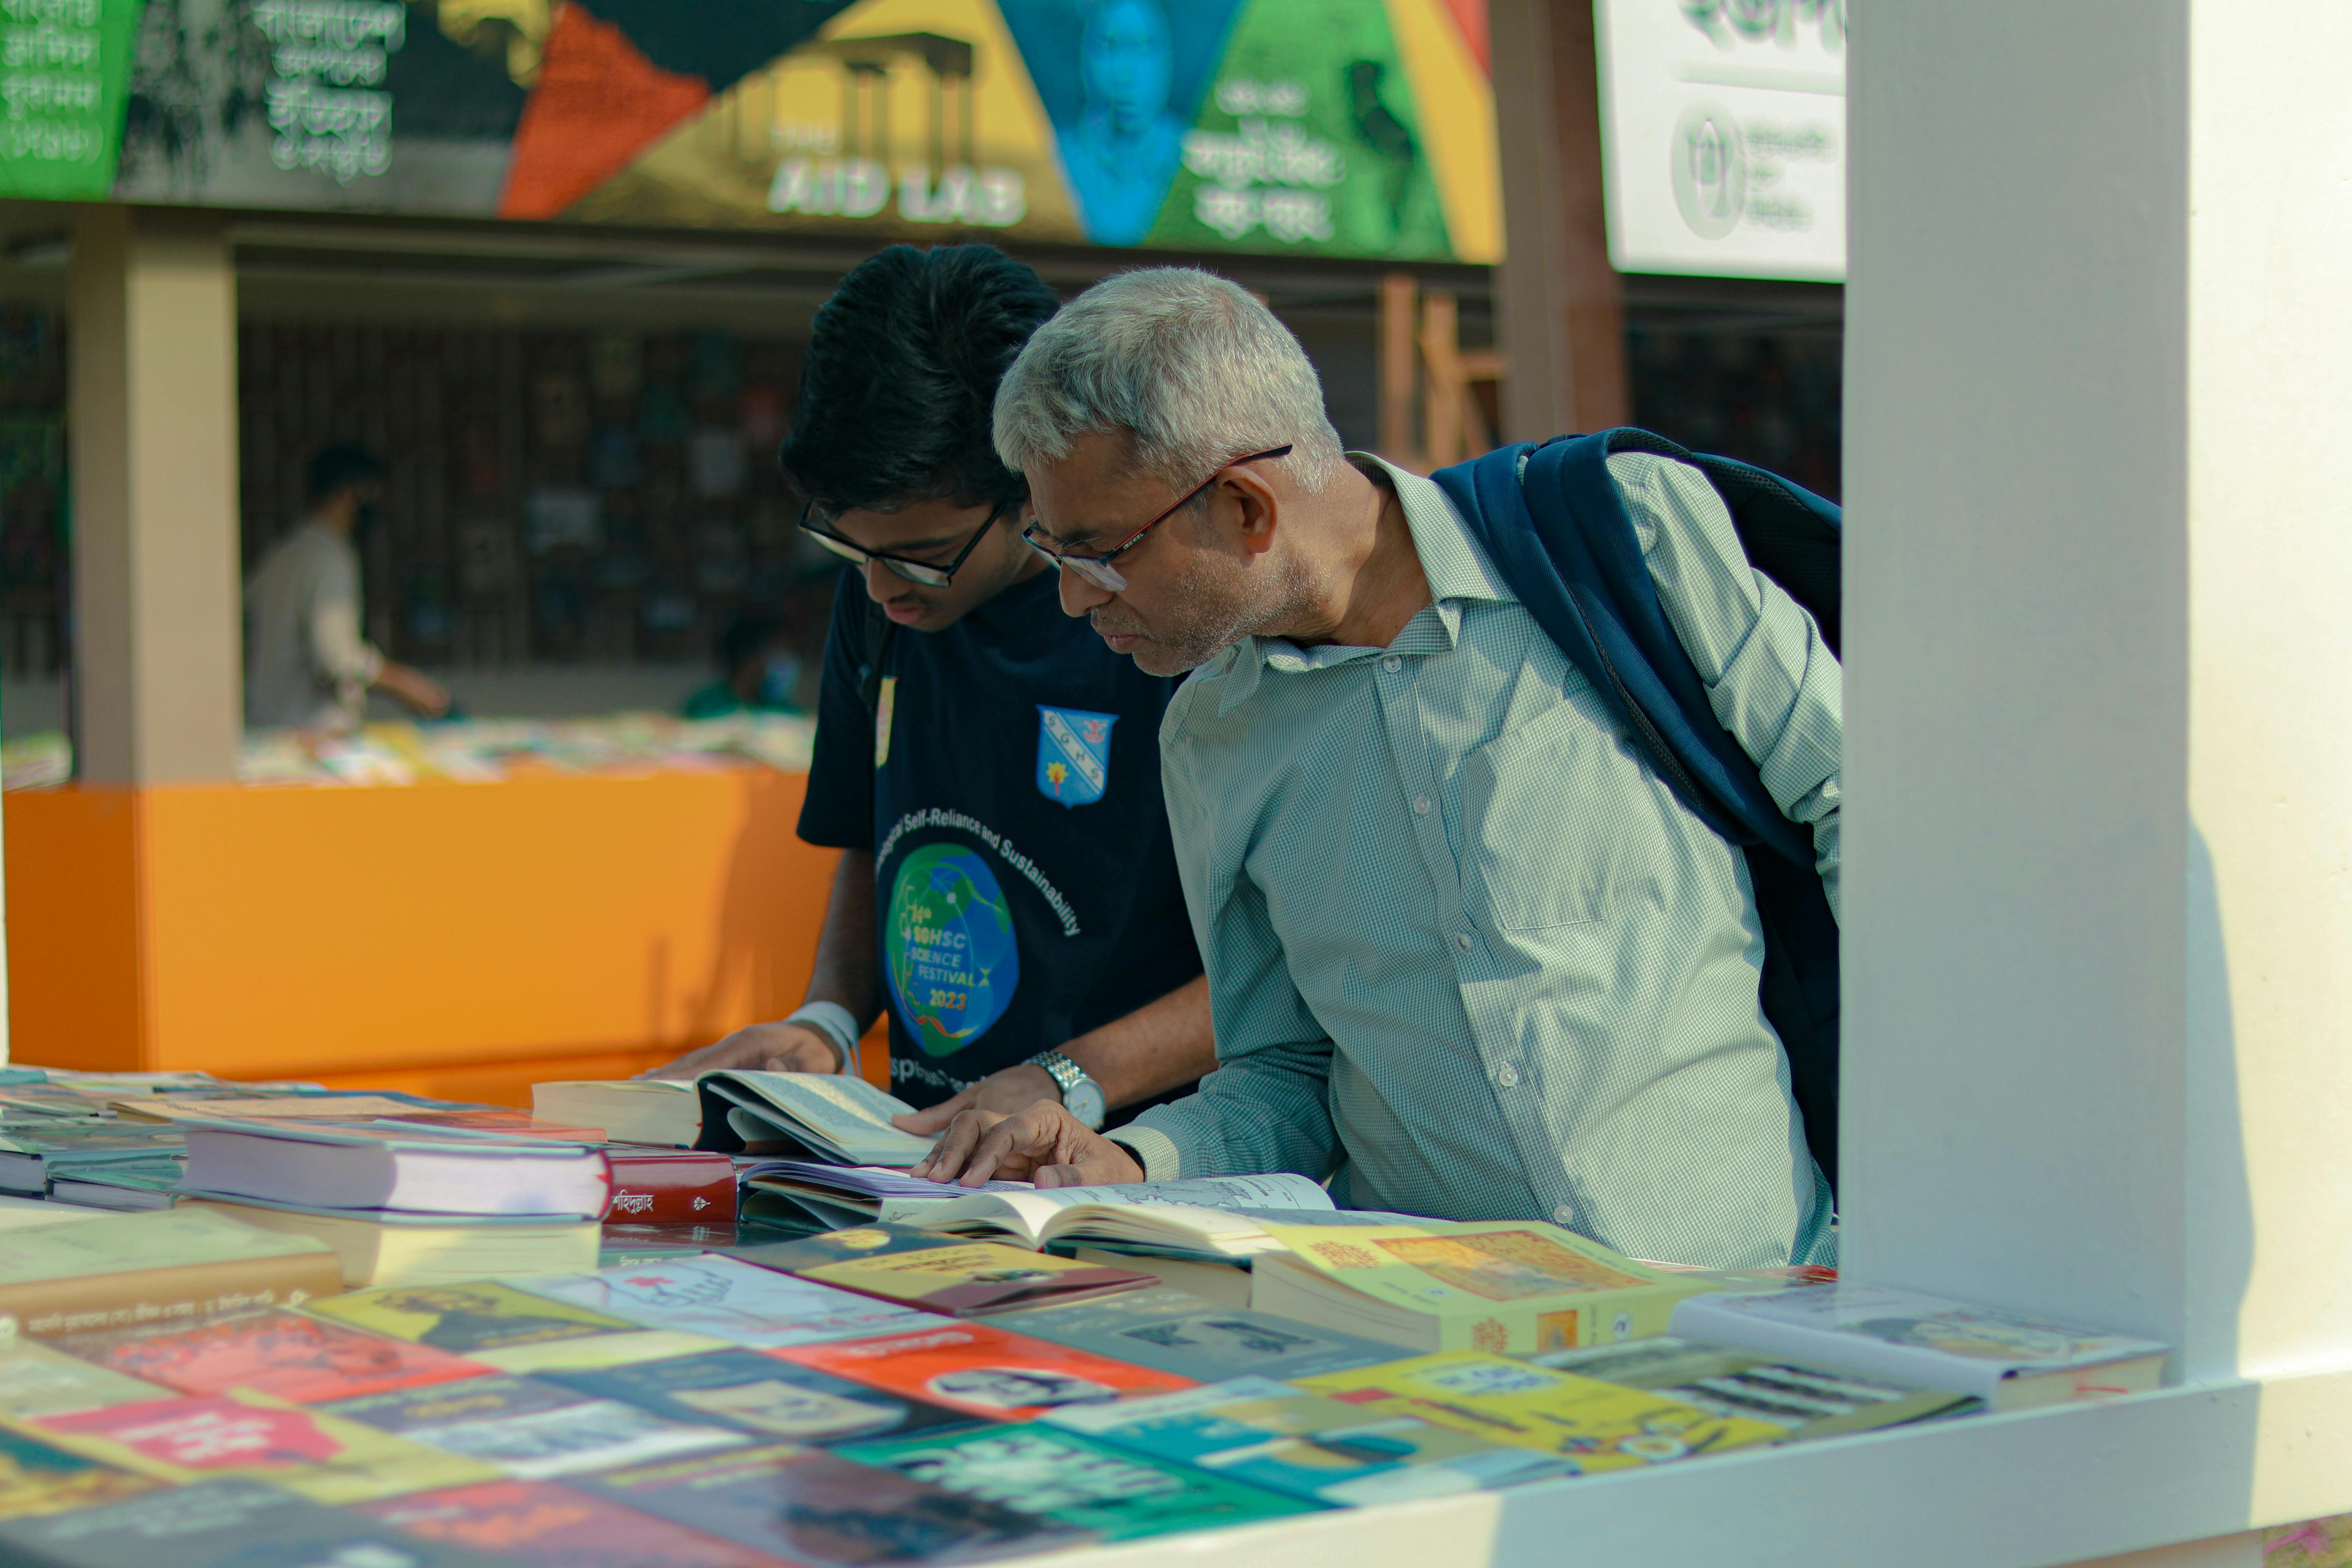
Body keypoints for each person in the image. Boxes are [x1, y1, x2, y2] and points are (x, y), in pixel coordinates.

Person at [915, 268, 1843, 1270]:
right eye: (1054, 552)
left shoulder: (1624, 538)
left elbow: (1864, 812)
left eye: (1099, 552)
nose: (1074, 600)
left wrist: (1943, 1165)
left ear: (1242, 507)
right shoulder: (1211, 743)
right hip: (1445, 1354)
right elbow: (1288, 1073)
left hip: (1753, 1294)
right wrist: (1131, 1162)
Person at [645, 245, 1216, 1135]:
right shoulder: (878, 606)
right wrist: (827, 1020)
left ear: (1033, 476)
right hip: (928, 1155)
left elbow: (1284, 974)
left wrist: (1067, 1079)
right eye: (850, 547)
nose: (882, 587)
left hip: (1131, 1158)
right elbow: (869, 843)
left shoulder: (1165, 615)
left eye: (924, 553)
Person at [244, 444, 449, 730]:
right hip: (313, 732)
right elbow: (336, 656)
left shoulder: (284, 553)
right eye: (372, 493)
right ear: (346, 493)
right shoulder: (330, 558)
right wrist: (406, 684)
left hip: (267, 726)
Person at [682, 612, 804, 719]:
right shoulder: (705, 705)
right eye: (777, 654)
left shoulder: (780, 708)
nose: (783, 662)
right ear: (748, 657)